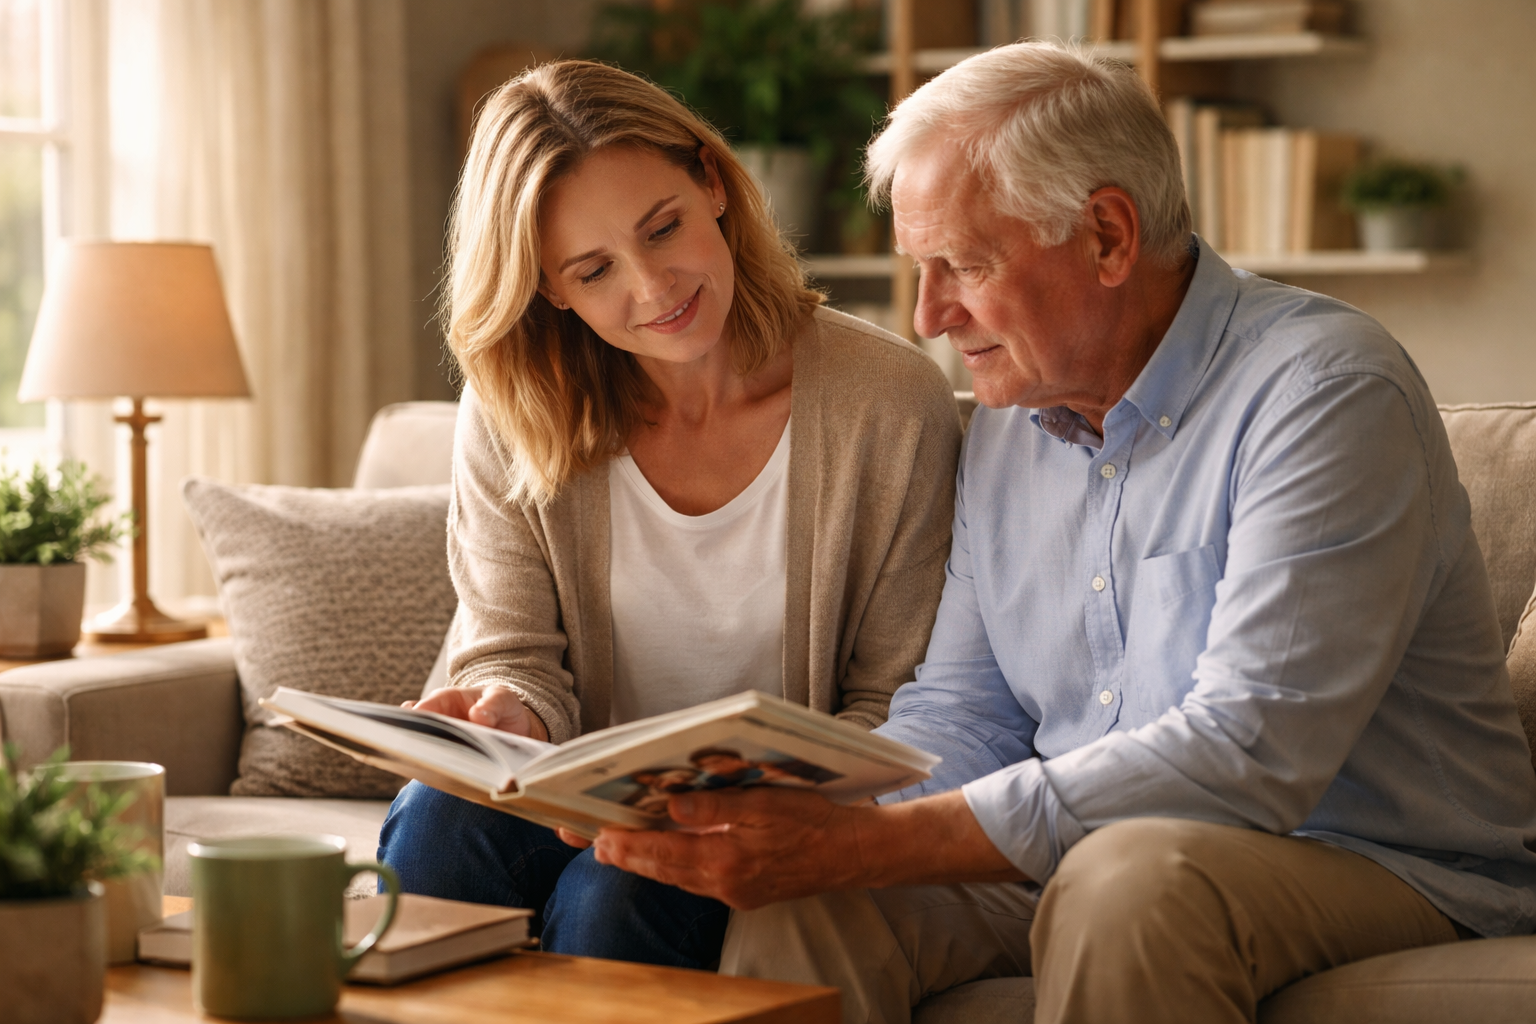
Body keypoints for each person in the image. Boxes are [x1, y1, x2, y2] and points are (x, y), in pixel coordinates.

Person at [582, 42, 1536, 1023]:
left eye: (963, 265)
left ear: (1108, 236)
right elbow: (965, 712)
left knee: (1126, 879)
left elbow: (1250, 751)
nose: (929, 315)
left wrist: (865, 841)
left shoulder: (1323, 392)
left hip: (1375, 861)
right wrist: (810, 814)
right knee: (815, 905)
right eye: (921, 268)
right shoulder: (1009, 424)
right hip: (1091, 852)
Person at [374, 59, 961, 972]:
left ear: (712, 183)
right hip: (566, 802)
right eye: (595, 269)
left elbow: (896, 703)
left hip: (763, 816)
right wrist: (509, 713)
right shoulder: (512, 414)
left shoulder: (889, 402)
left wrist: (753, 799)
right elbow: (514, 655)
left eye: (664, 228)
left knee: (626, 884)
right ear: (549, 289)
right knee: (437, 818)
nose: (653, 288)